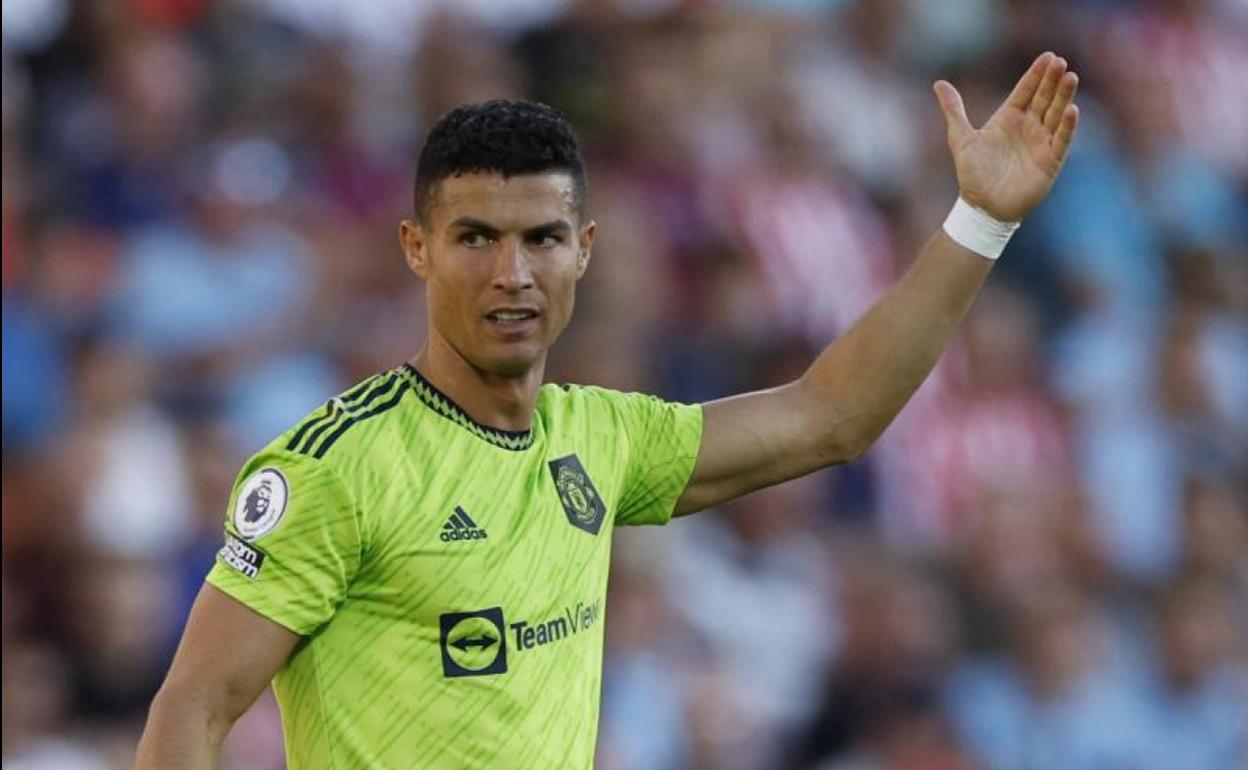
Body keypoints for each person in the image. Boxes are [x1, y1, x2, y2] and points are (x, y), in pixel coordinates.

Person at [134, 52, 1080, 770]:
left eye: (542, 238)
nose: (512, 273)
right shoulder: (334, 468)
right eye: (476, 238)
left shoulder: (603, 437)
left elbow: (834, 415)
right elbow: (192, 709)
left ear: (584, 249)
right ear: (416, 249)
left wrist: (980, 220)